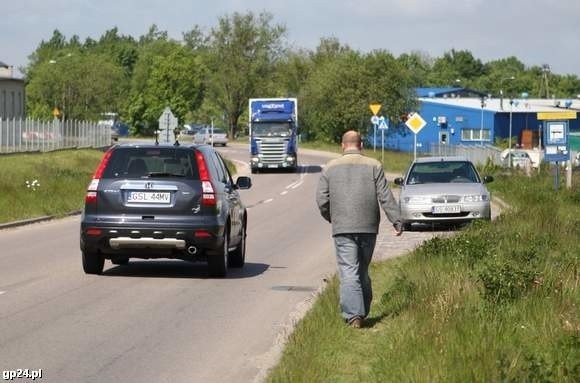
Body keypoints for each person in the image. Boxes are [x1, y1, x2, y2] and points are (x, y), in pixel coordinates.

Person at [316, 130, 403, 328]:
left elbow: (321, 199)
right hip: (368, 226)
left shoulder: (330, 168)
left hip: (342, 227)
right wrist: (396, 220)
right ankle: (361, 311)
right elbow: (385, 196)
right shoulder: (374, 165)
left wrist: (332, 217)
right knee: (362, 270)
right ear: (361, 145)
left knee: (349, 271)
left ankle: (354, 315)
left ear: (342, 145)